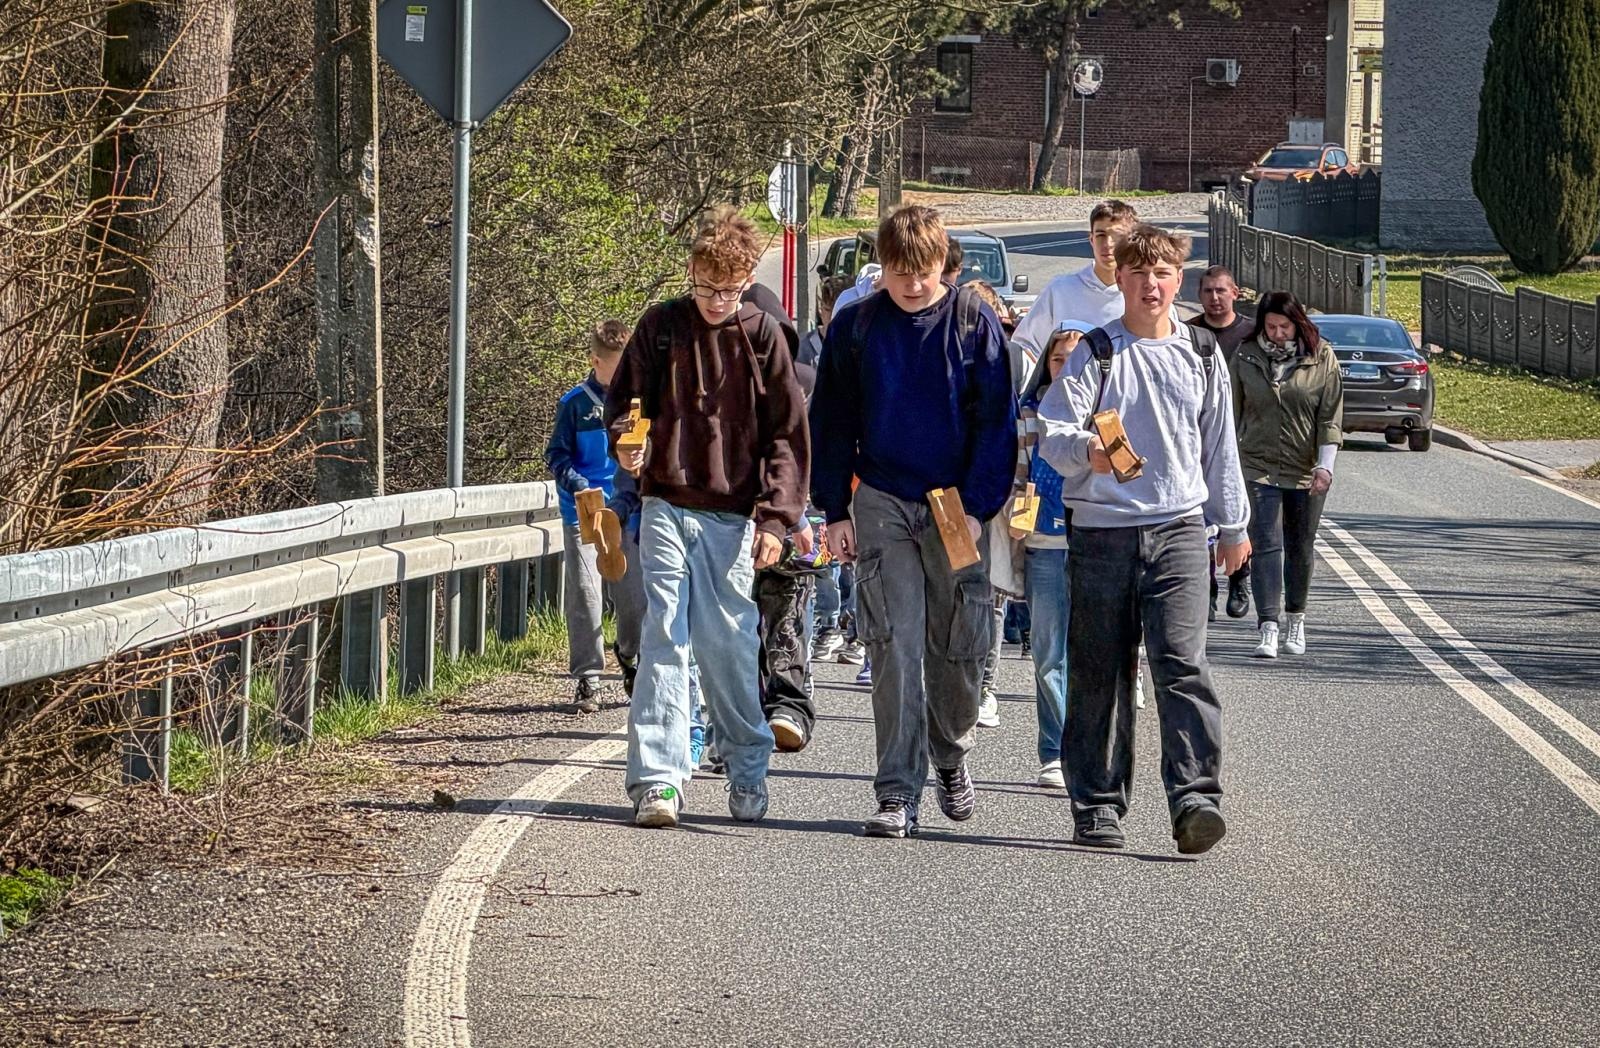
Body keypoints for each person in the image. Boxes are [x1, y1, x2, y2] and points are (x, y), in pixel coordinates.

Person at [1036, 223, 1251, 855]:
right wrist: (1088, 452)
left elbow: (1220, 448)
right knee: (1100, 672)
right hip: (1102, 534)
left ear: (1176, 280)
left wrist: (1233, 527)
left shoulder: (1204, 354)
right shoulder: (1095, 353)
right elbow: (1052, 432)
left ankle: (1195, 799)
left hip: (1180, 531)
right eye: (1139, 274)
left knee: (1182, 665)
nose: (1151, 285)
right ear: (1121, 280)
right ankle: (1098, 804)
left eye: (1162, 274)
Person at [811, 204, 1017, 839]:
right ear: (884, 269)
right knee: (893, 644)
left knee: (957, 646)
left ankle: (951, 753)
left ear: (943, 266)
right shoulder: (858, 327)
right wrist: (835, 510)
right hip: (881, 499)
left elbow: (997, 423)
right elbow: (831, 420)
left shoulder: (974, 322)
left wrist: (981, 507)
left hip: (957, 505)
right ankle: (896, 791)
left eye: (923, 271)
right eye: (900, 272)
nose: (912, 284)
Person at [605, 205, 810, 829]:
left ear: (748, 277)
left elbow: (787, 436)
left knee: (725, 645)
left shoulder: (766, 336)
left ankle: (747, 766)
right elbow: (626, 407)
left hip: (732, 514)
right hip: (665, 501)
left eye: (729, 289)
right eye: (705, 287)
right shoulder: (661, 327)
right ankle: (659, 782)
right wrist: (628, 442)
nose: (716, 300)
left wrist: (776, 521)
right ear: (690, 273)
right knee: (665, 633)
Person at [1231, 290, 1343, 659]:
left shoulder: (1321, 356)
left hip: (1305, 468)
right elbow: (1230, 414)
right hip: (1258, 465)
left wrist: (1325, 465)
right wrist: (1225, 466)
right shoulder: (1247, 356)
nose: (1277, 334)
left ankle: (1296, 618)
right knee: (1264, 544)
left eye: (1284, 326)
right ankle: (1268, 626)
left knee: (1300, 546)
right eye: (1270, 326)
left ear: (1298, 324)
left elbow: (1330, 418)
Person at [544, 320, 645, 713]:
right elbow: (556, 454)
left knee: (632, 597)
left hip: (625, 512)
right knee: (586, 594)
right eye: (614, 368)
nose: (621, 377)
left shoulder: (638, 404)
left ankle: (630, 654)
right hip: (583, 510)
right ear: (595, 361)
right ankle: (587, 676)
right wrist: (575, 482)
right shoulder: (576, 403)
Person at [1012, 321, 1091, 788]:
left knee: (1092, 654)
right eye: (1058, 359)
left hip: (1094, 541)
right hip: (1043, 542)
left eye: (1073, 361)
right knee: (1047, 654)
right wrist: (1018, 527)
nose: (1065, 369)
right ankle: (1054, 751)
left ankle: (1087, 748)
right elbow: (1021, 472)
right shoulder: (1029, 411)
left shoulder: (1103, 409)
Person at [1193, 265, 1257, 620]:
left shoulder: (1250, 334)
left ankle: (1239, 579)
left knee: (1235, 512)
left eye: (1221, 291)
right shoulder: (1189, 333)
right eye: (1208, 292)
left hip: (1242, 439)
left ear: (1235, 293)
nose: (1214, 299)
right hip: (1201, 439)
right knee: (1200, 516)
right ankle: (1208, 588)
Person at [1011, 199, 1142, 372]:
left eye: (1117, 236)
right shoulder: (1060, 290)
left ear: (1131, 241)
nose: (1108, 244)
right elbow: (1025, 346)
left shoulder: (1145, 296)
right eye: (1101, 235)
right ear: (1091, 239)